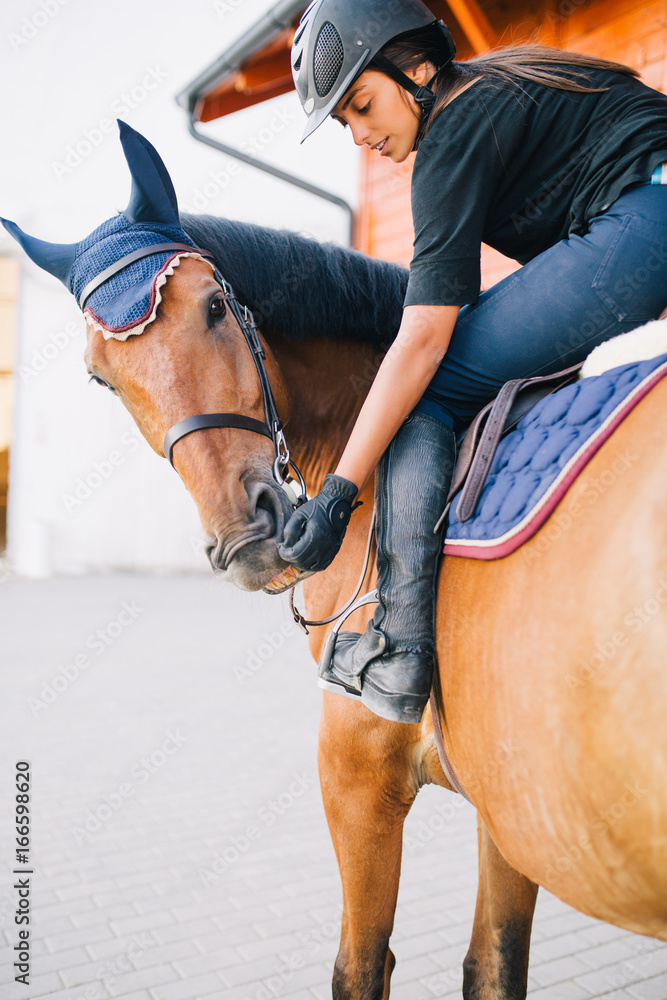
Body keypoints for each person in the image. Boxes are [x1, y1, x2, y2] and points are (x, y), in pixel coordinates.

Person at [277, 0, 667, 725]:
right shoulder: (495, 88)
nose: (360, 135)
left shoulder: (453, 131)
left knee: (426, 395)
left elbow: (423, 340)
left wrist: (336, 491)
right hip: (647, 214)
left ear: (416, 68)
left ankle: (398, 650)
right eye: (343, 124)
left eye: (361, 104)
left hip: (648, 223)